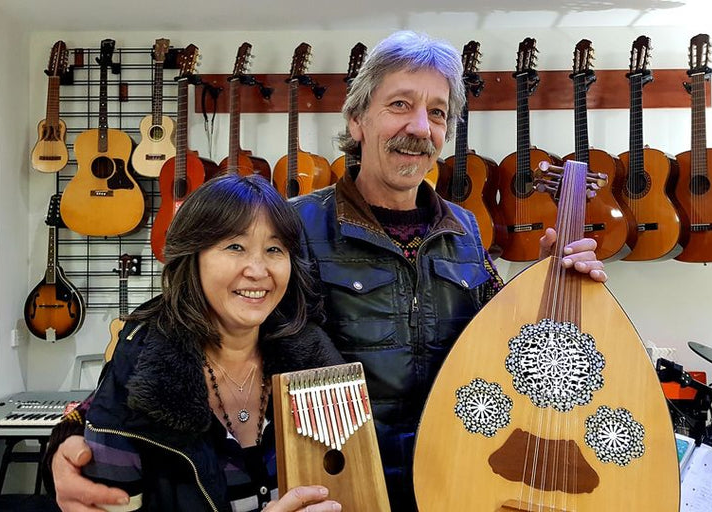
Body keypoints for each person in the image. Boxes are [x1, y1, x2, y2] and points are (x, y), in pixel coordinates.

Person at [49, 31, 606, 511]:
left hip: (460, 478)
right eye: (400, 105)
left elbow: (503, 351)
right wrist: (74, 433)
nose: (419, 126)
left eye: (437, 112)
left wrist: (550, 286)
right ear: (357, 120)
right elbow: (179, 330)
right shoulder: (293, 229)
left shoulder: (465, 228)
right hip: (345, 490)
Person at [47, 174, 345, 511]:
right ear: (193, 255)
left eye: (275, 249)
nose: (258, 270)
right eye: (235, 246)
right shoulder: (139, 373)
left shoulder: (316, 362)